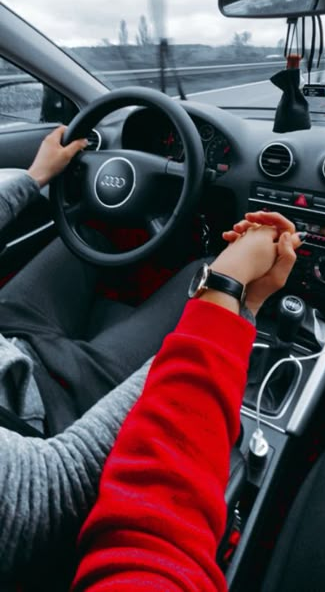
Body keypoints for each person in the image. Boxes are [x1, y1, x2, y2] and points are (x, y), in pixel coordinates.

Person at [72, 211, 301, 591]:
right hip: (47, 405)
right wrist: (225, 285)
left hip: (17, 358)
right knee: (201, 265)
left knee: (94, 234)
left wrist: (238, 303)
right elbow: (152, 542)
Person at [0, 125, 208, 435]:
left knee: (87, 237)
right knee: (210, 273)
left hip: (7, 338)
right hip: (39, 412)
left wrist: (35, 177)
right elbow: (60, 469)